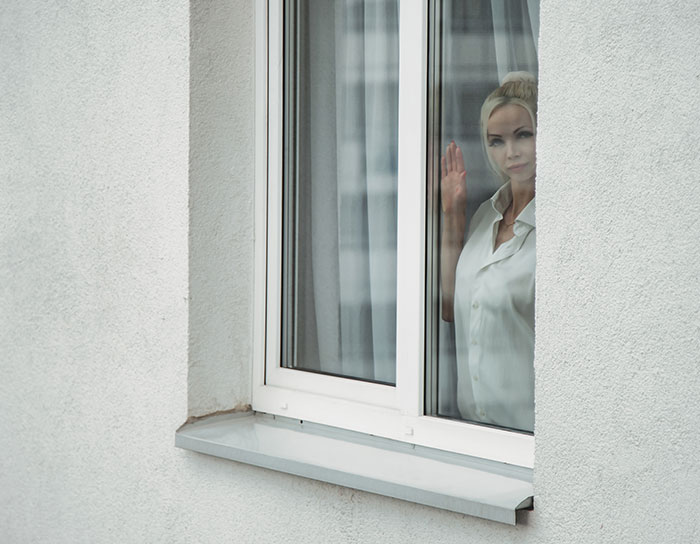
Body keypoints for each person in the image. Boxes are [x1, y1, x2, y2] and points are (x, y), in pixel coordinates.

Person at [440, 72, 537, 432]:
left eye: (523, 135)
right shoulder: (485, 216)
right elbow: (450, 308)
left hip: (528, 434)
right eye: (497, 141)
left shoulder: (558, 230)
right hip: (475, 433)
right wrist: (454, 215)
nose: (511, 152)